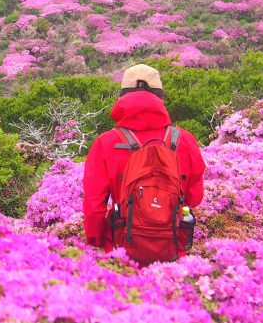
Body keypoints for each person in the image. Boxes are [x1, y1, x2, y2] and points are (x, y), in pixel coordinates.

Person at [82, 64, 206, 257]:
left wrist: (97, 241)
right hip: (172, 250)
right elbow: (195, 197)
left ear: (122, 98)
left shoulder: (106, 143)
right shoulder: (185, 140)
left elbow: (93, 206)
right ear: (160, 98)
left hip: (120, 250)